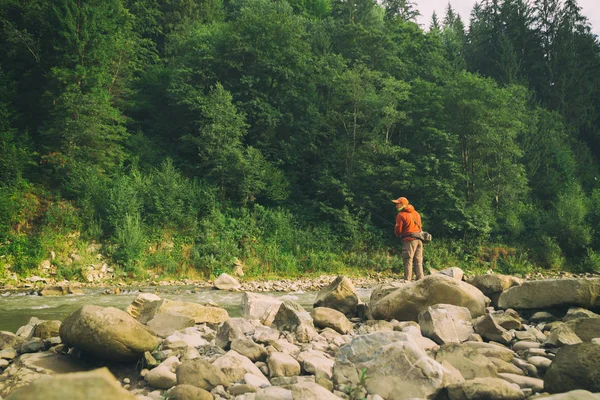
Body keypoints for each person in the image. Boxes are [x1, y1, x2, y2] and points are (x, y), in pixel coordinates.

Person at [392, 196, 424, 281]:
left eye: (397, 204)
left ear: (402, 204)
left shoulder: (401, 215)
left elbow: (398, 230)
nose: (396, 206)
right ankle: (421, 281)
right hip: (419, 240)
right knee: (418, 262)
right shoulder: (416, 213)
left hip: (409, 241)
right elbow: (420, 226)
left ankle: (407, 282)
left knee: (408, 261)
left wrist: (397, 233)